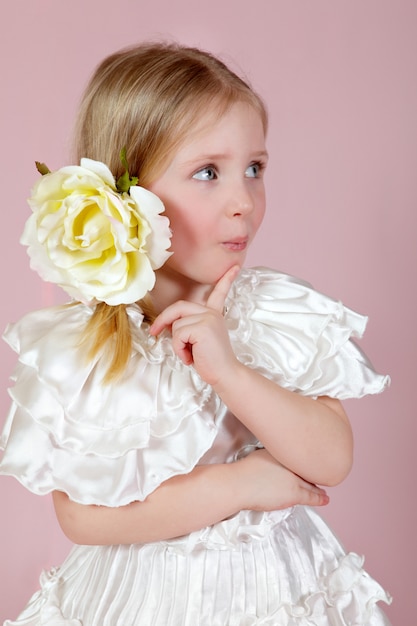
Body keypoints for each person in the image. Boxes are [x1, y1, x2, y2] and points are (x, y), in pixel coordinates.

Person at [0, 42, 392, 625]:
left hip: (277, 595)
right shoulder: (86, 347)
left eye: (254, 169)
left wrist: (229, 372)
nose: (244, 202)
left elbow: (331, 459)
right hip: (141, 603)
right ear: (126, 195)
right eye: (208, 172)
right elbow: (81, 517)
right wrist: (239, 486)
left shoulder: (272, 312)